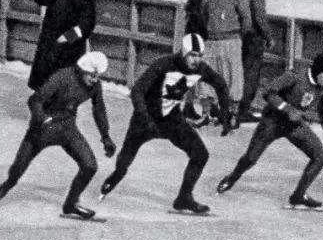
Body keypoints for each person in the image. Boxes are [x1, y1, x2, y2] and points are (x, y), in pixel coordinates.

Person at [100, 33, 234, 215]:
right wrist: (144, 117)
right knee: (126, 158)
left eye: (199, 56)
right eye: (192, 55)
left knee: (200, 154)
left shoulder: (200, 68)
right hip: (145, 119)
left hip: (172, 120)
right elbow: (137, 90)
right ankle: (117, 175)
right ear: (184, 52)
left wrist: (226, 115)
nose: (196, 60)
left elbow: (221, 85)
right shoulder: (163, 64)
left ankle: (184, 198)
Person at [0, 52, 116, 220]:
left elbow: (99, 109)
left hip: (67, 128)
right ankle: (9, 184)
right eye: (92, 75)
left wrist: (106, 136)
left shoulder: (94, 85)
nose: (95, 79)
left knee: (90, 165)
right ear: (81, 70)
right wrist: (40, 118)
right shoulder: (62, 77)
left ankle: (71, 204)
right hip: (43, 129)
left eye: (97, 76)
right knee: (18, 168)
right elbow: (34, 100)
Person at [216, 52, 323, 209]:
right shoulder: (295, 76)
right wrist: (287, 109)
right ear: (317, 69)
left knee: (321, 156)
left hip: (294, 126)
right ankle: (232, 177)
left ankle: (298, 196)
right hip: (272, 122)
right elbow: (268, 92)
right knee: (251, 158)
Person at [22, 0, 96, 91]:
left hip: (69, 52)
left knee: (64, 92)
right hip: (50, 49)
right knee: (44, 89)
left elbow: (87, 24)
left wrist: (68, 37)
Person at [198, 0, 251, 128]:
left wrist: (237, 36)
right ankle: (206, 114)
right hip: (212, 41)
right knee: (206, 76)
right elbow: (203, 16)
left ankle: (232, 115)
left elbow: (246, 21)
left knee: (233, 77)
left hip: (232, 41)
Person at [235, 0, 274, 122]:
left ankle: (233, 108)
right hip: (253, 38)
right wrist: (268, 36)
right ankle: (243, 111)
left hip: (238, 36)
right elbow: (259, 16)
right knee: (251, 75)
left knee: (237, 73)